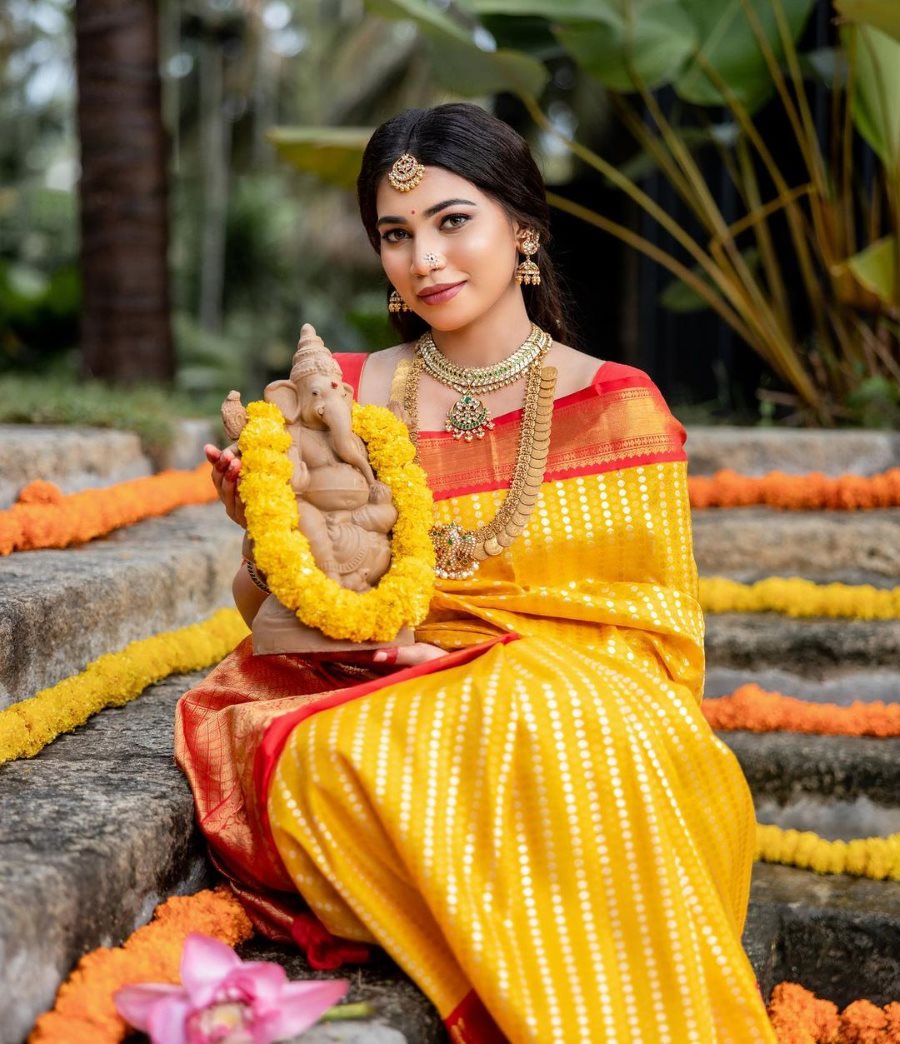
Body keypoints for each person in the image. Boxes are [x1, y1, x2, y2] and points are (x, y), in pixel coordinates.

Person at [177, 102, 776, 1042]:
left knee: (548, 717)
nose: (426, 259)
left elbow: (660, 642)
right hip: (364, 688)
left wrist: (481, 661)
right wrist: (260, 534)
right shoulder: (343, 391)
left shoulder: (619, 404)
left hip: (570, 694)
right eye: (396, 234)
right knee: (355, 755)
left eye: (454, 221)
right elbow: (268, 610)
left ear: (522, 227)